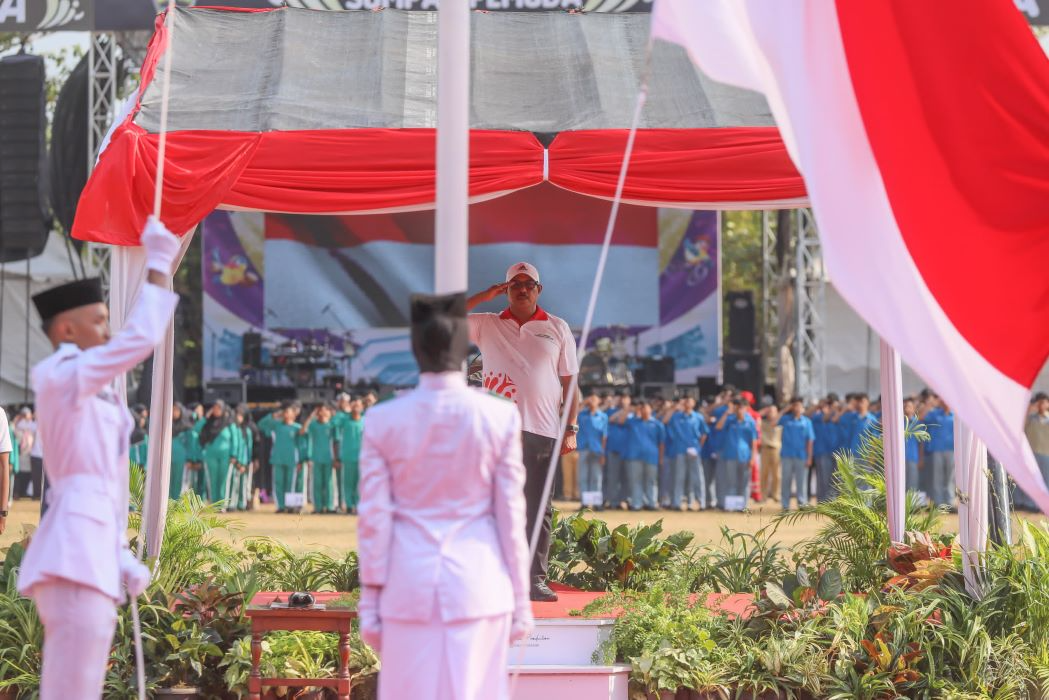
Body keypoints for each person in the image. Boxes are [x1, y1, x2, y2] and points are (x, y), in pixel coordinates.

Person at [17, 216, 179, 699]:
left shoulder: (92, 385)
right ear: (66, 329)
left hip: (89, 552)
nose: (109, 331)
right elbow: (138, 342)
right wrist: (157, 264)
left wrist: (118, 556)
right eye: (100, 320)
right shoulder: (62, 373)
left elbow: (99, 491)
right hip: (72, 557)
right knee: (70, 688)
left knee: (82, 684)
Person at [357, 292, 532, 700]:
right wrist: (521, 600)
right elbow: (511, 515)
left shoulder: (383, 419)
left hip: (407, 586)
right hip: (479, 585)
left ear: (415, 348)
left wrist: (370, 602)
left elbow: (374, 520)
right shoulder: (500, 416)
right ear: (462, 349)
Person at [467, 262, 579, 602]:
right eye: (514, 283)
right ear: (505, 289)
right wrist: (484, 296)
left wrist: (571, 427)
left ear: (538, 289)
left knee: (538, 507)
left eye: (528, 283)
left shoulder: (557, 328)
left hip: (542, 430)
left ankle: (535, 580)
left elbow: (571, 383)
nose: (522, 288)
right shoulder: (485, 324)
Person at [615, 400, 665, 511]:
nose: (644, 410)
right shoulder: (633, 421)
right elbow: (620, 421)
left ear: (651, 410)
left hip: (651, 456)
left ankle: (651, 503)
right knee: (635, 480)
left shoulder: (657, 424)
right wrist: (629, 409)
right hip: (634, 456)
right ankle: (637, 504)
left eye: (646, 408)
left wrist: (661, 458)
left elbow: (661, 443)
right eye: (642, 408)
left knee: (651, 481)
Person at [259, 402, 304, 513]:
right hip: (277, 458)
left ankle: (290, 506)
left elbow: (301, 445)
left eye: (289, 412)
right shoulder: (276, 425)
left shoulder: (297, 428)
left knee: (291, 483)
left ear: (294, 415)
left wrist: (301, 460)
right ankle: (281, 506)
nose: (286, 414)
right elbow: (261, 424)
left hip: (292, 459)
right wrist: (273, 416)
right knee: (278, 483)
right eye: (285, 412)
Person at [715, 398, 758, 509]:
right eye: (737, 408)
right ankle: (731, 506)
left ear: (746, 409)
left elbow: (754, 442)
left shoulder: (750, 422)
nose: (739, 410)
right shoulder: (729, 420)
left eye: (741, 408)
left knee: (743, 483)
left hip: (745, 456)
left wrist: (753, 458)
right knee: (731, 482)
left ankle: (743, 507)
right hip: (730, 455)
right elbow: (718, 426)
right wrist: (726, 413)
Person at [198, 401, 239, 509]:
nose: (216, 410)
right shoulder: (208, 423)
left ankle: (222, 505)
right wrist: (205, 417)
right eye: (214, 408)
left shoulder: (229, 423)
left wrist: (234, 455)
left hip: (225, 457)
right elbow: (196, 429)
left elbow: (235, 439)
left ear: (223, 409)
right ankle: (214, 505)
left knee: (223, 480)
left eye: (219, 408)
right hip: (210, 455)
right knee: (212, 480)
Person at [778, 398, 815, 510]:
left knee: (801, 481)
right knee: (786, 480)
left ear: (802, 408)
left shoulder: (807, 422)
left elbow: (810, 440)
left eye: (799, 406)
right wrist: (784, 410)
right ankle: (785, 504)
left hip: (801, 455)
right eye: (794, 406)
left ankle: (802, 503)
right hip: (787, 455)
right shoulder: (785, 419)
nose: (797, 408)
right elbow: (773, 422)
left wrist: (809, 457)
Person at [301, 402, 338, 514]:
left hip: (329, 458)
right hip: (316, 458)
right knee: (317, 483)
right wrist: (311, 417)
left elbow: (336, 442)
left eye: (324, 410)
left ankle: (330, 506)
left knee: (329, 483)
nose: (322, 412)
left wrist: (336, 458)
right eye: (320, 410)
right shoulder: (313, 425)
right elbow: (303, 431)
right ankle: (318, 507)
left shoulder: (332, 425)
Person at [576, 392, 608, 509]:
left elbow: (604, 436)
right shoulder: (582, 414)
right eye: (591, 398)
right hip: (584, 448)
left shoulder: (603, 416)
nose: (593, 400)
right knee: (583, 476)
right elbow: (573, 413)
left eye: (595, 398)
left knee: (596, 477)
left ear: (599, 401)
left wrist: (603, 453)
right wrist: (584, 402)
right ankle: (584, 503)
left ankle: (596, 503)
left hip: (597, 449)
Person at [334, 395, 365, 514]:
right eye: (354, 405)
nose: (356, 407)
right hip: (347, 456)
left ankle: (358, 505)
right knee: (347, 482)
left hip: (362, 457)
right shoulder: (344, 419)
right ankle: (348, 505)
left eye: (358, 405)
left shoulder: (365, 420)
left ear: (362, 407)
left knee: (360, 483)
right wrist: (341, 409)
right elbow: (333, 422)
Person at [923, 399, 956, 509]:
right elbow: (921, 417)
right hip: (937, 449)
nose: (946, 402)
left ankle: (949, 502)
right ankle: (938, 502)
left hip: (951, 450)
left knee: (950, 477)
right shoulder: (934, 414)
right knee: (937, 476)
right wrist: (929, 404)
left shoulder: (955, 415)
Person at [604, 393, 632, 510]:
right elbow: (613, 419)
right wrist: (624, 409)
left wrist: (628, 410)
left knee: (626, 478)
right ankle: (613, 501)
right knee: (613, 477)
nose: (623, 400)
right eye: (622, 398)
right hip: (613, 448)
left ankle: (623, 500)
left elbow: (623, 421)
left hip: (628, 450)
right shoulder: (611, 411)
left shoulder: (633, 413)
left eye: (626, 398)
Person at [1023, 393, 1049, 511]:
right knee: (1033, 479)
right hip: (1032, 454)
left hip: (1046, 454)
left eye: (1044, 402)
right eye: (1039, 402)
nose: (1041, 405)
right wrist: (1030, 408)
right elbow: (1022, 425)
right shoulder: (1031, 419)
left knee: (1046, 479)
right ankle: (1031, 505)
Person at [169, 402, 196, 499]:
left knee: (180, 481)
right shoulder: (167, 426)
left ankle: (178, 502)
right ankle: (168, 503)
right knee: (168, 480)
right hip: (168, 458)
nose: (174, 413)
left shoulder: (187, 427)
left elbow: (191, 445)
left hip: (182, 460)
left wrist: (189, 459)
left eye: (177, 410)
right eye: (173, 410)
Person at [759, 403, 782, 503]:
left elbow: (775, 422)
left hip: (776, 450)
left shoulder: (780, 423)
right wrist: (763, 411)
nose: (771, 413)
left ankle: (776, 494)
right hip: (765, 449)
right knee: (764, 473)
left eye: (773, 411)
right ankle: (763, 496)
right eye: (769, 411)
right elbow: (754, 416)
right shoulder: (762, 422)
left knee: (776, 474)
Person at [903, 397, 922, 496]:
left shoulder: (917, 423)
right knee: (901, 483)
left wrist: (920, 459)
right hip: (900, 459)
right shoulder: (897, 423)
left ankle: (911, 506)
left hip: (913, 457)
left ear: (914, 409)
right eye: (905, 406)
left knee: (912, 482)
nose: (907, 408)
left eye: (909, 406)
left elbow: (921, 443)